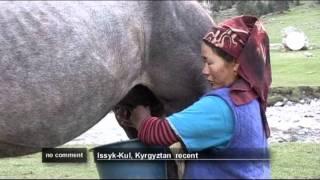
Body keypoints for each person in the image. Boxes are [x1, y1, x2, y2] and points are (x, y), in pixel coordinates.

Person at [115, 15, 272, 179]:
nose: (204, 71)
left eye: (209, 62)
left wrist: (140, 118)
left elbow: (157, 134)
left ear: (236, 65)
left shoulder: (221, 106)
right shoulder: (250, 98)